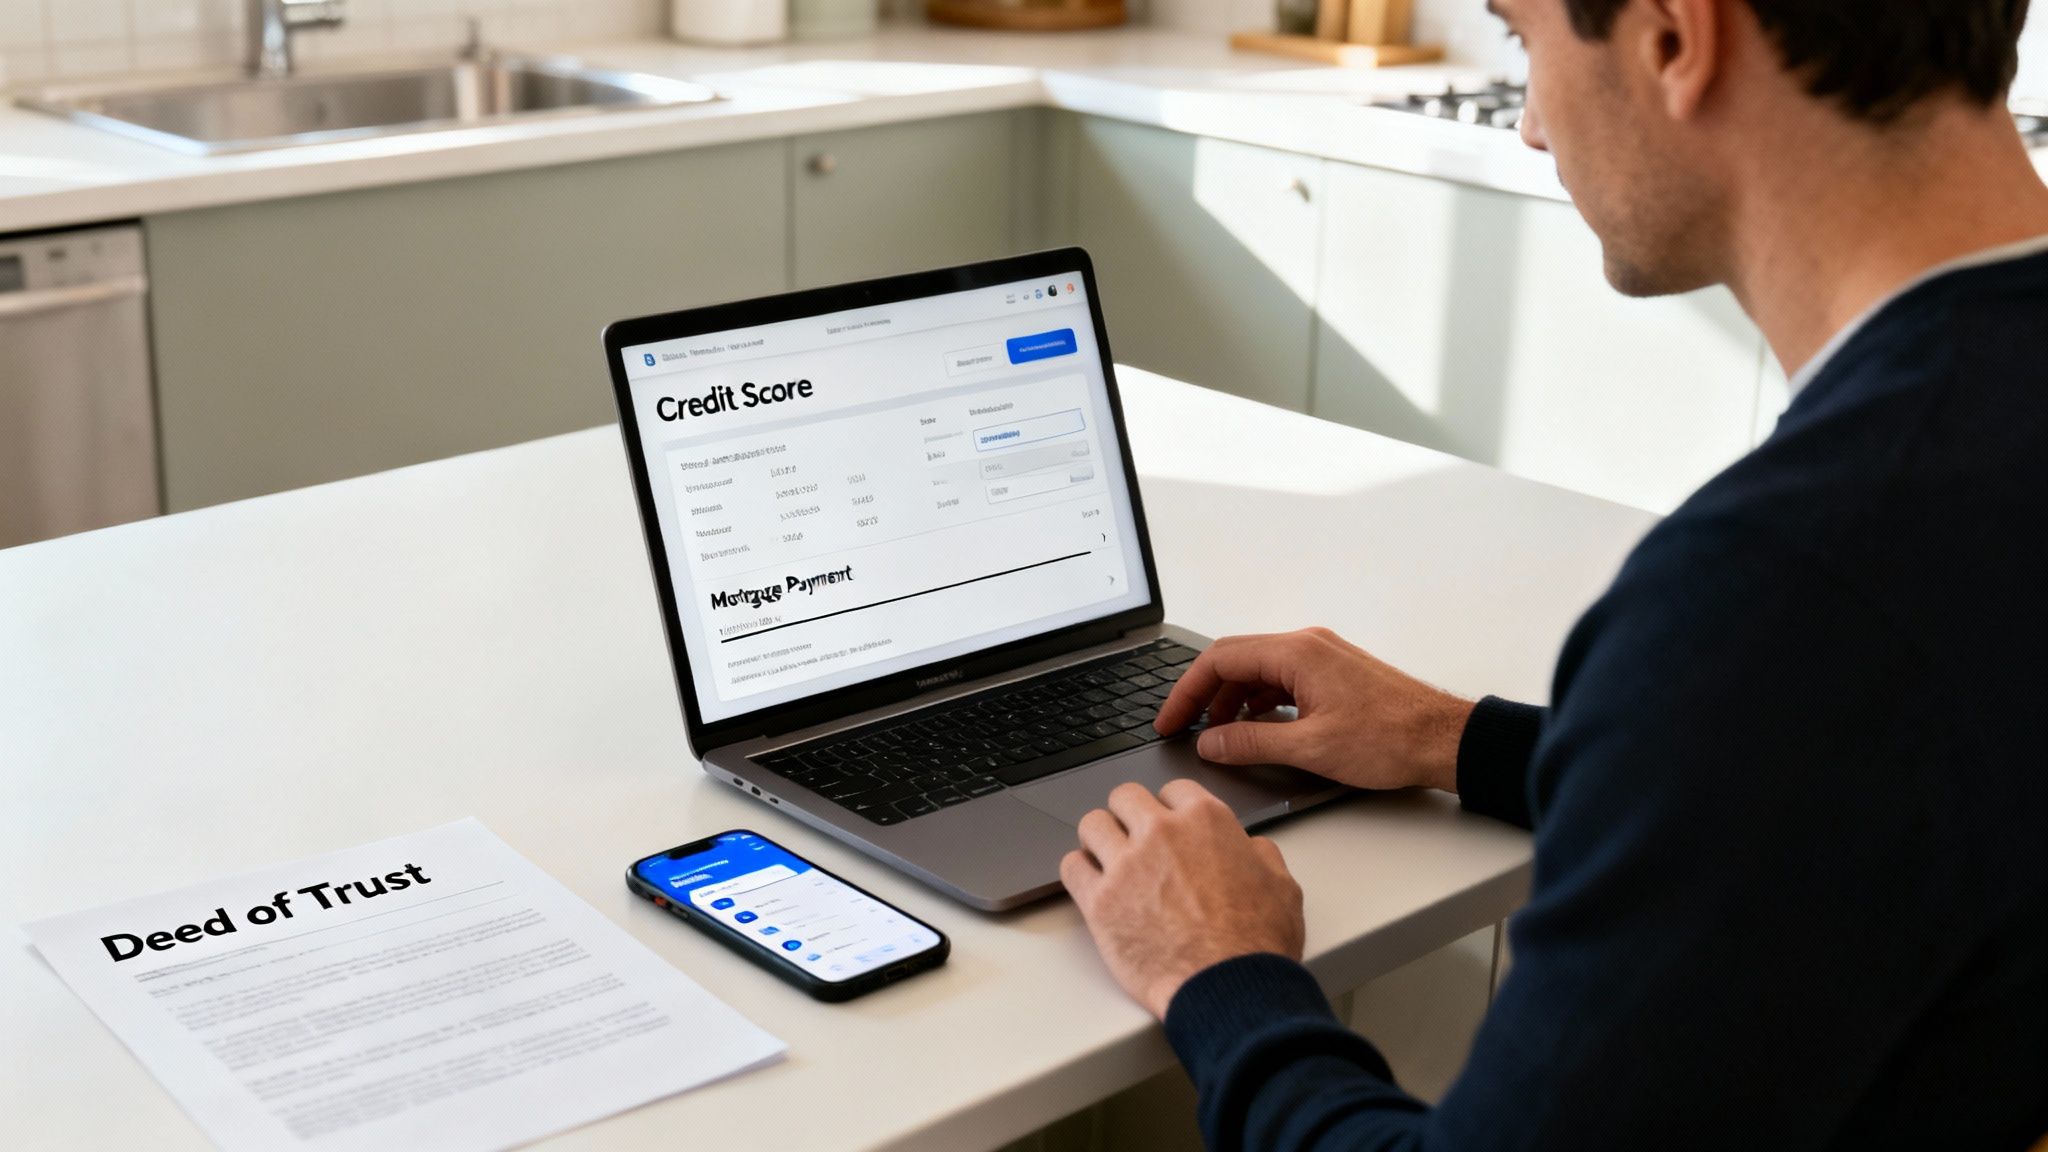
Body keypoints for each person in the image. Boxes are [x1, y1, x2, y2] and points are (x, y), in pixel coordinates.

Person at [1058, 0, 2048, 1147]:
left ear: (1673, 38)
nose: (1529, 124)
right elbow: (1868, 767)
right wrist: (1453, 739)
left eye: (1523, 40)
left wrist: (1215, 969)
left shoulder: (1779, 594)